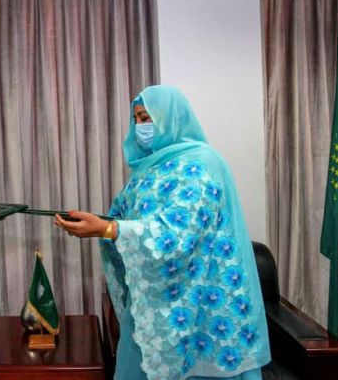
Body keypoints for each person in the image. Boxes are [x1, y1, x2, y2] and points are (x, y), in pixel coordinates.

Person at [56, 85, 271, 380]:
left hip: (201, 299)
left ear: (172, 117)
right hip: (152, 300)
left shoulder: (203, 162)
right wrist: (95, 224)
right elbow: (124, 218)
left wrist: (109, 228)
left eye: (147, 117)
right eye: (137, 119)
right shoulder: (147, 171)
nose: (141, 126)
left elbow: (182, 231)